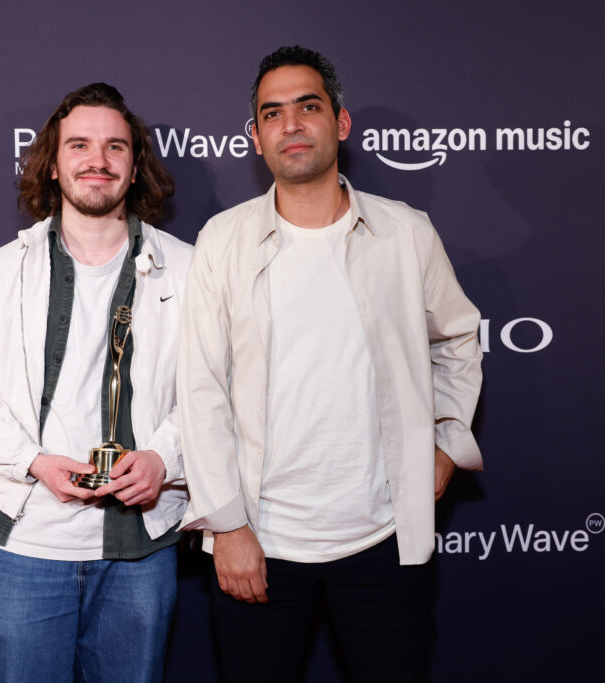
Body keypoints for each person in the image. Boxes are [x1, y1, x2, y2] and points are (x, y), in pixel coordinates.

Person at [177, 46, 483, 682]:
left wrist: (448, 444)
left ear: (340, 123)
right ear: (256, 136)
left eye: (307, 106)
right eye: (272, 113)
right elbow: (200, 390)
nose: (291, 124)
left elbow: (457, 339)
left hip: (384, 540)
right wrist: (226, 528)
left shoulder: (406, 233)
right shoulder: (222, 241)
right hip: (260, 542)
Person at [0, 82, 192, 683]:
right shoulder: (5, 270)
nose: (97, 160)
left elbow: (216, 390)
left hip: (141, 550)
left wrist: (165, 457)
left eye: (115, 146)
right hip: (28, 546)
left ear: (135, 166)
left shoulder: (188, 267)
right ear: (52, 163)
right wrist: (33, 462)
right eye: (79, 145)